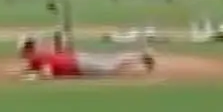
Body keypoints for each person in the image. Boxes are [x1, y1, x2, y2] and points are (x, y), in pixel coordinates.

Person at [18, 35, 154, 79]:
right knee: (110, 63)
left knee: (110, 67)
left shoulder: (38, 57)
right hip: (78, 60)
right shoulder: (34, 59)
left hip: (79, 65)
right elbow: (31, 69)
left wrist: (33, 77)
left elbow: (47, 74)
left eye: (23, 50)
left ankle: (141, 56)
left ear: (28, 49)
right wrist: (27, 73)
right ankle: (140, 56)